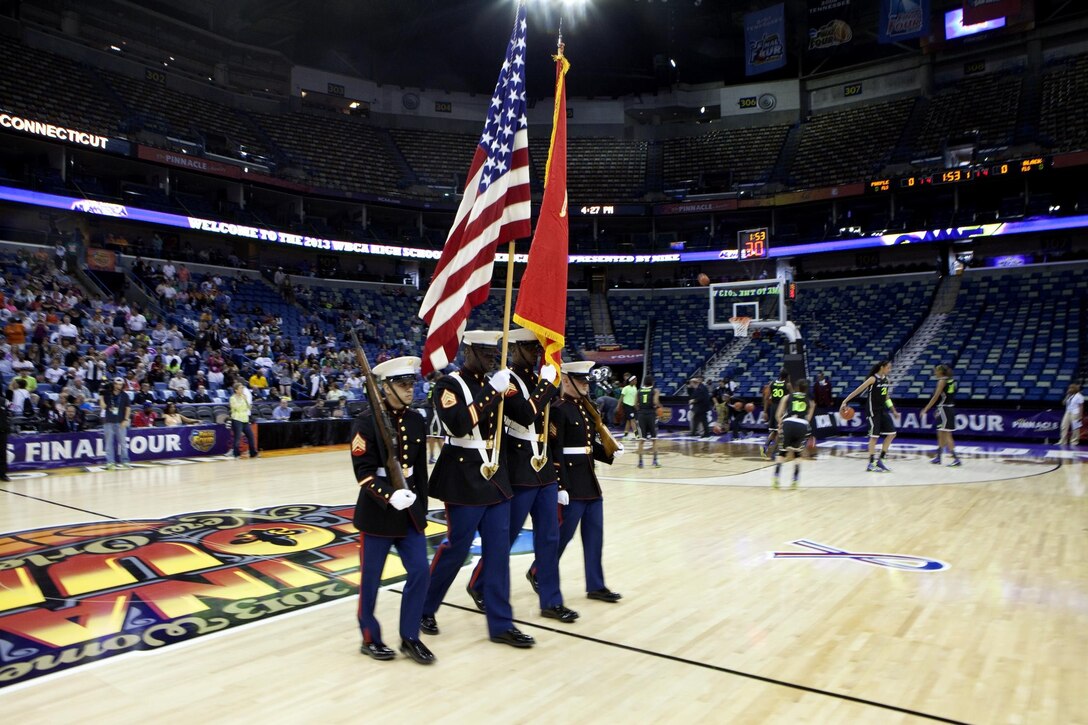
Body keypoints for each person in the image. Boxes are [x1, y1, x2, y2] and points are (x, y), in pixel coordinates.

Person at [421, 331, 533, 648]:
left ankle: (501, 624)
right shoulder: (449, 385)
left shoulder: (497, 382)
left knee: (499, 553)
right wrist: (490, 392)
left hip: (495, 475)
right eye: (483, 352)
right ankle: (423, 606)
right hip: (463, 475)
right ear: (467, 351)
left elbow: (525, 415)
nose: (489, 358)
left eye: (492, 353)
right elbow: (458, 424)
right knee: (457, 549)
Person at [464, 329, 572, 623]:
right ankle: (479, 582)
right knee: (507, 536)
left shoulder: (540, 379)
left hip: (544, 467)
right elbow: (524, 414)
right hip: (519, 467)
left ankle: (551, 600)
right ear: (514, 348)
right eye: (529, 347)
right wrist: (549, 386)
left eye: (538, 347)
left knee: (550, 537)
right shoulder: (506, 380)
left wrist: (547, 384)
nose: (537, 352)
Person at [350, 356, 434, 665]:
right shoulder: (365, 421)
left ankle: (410, 636)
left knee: (420, 573)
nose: (410, 390)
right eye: (402, 385)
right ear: (385, 388)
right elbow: (364, 473)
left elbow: (420, 473)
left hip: (409, 512)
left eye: (412, 384)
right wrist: (389, 495)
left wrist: (420, 508)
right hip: (378, 513)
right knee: (371, 579)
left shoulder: (416, 420)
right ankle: (369, 637)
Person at [541, 360, 624, 604]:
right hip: (571, 484)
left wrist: (609, 452)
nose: (585, 385)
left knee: (595, 536)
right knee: (562, 536)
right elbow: (554, 450)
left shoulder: (587, 408)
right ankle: (538, 571)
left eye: (586, 381)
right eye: (580, 381)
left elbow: (586, 447)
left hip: (589, 480)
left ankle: (596, 585)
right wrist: (560, 485)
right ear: (566, 381)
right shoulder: (558, 408)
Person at [840, 360, 897, 473]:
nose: (889, 370)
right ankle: (871, 463)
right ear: (882, 367)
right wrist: (845, 401)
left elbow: (887, 397)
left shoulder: (886, 379)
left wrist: (893, 410)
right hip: (872, 411)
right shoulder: (872, 379)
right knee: (874, 436)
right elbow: (858, 390)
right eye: (888, 368)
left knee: (892, 434)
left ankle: (881, 460)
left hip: (882, 410)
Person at [772, 378, 815, 489]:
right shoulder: (811, 402)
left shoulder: (787, 397)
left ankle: (776, 477)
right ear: (806, 390)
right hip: (802, 424)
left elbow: (778, 415)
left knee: (782, 453)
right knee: (797, 453)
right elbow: (808, 420)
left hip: (788, 422)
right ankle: (795, 480)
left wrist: (781, 424)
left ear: (796, 387)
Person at [920, 364, 961, 466]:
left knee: (947, 435)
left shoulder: (942, 381)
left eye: (936, 371)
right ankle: (938, 457)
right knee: (940, 434)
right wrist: (939, 409)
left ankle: (956, 459)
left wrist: (926, 409)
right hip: (947, 408)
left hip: (945, 409)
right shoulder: (951, 380)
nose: (935, 373)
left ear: (940, 372)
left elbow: (935, 397)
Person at [99, 376, 132, 470]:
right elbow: (103, 406)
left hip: (120, 422)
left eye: (120, 384)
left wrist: (126, 419)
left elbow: (128, 408)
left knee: (123, 443)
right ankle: (110, 462)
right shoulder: (107, 394)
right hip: (108, 422)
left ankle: (125, 461)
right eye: (117, 384)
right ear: (113, 384)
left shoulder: (125, 395)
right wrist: (101, 396)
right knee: (109, 443)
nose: (118, 386)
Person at [761, 369, 791, 458]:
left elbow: (766, 398)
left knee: (774, 431)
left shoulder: (772, 383)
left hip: (773, 407)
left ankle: (765, 447)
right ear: (786, 377)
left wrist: (765, 411)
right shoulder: (787, 385)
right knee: (779, 431)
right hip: (781, 408)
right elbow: (791, 398)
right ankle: (774, 452)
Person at [636, 375, 662, 468]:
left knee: (641, 440)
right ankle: (655, 462)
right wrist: (660, 406)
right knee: (654, 439)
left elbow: (635, 404)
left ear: (644, 383)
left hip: (641, 415)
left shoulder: (639, 391)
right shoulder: (655, 391)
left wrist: (641, 410)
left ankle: (640, 463)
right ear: (652, 382)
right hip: (651, 415)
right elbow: (655, 401)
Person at [229, 382, 258, 459]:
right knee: (237, 437)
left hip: (245, 419)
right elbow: (237, 408)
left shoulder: (244, 396)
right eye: (240, 388)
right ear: (236, 390)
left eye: (242, 388)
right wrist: (243, 401)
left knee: (251, 436)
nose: (242, 389)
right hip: (237, 419)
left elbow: (249, 407)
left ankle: (253, 453)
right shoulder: (232, 398)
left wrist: (245, 401)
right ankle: (236, 454)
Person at [619, 374, 638, 439]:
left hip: (633, 406)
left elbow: (635, 398)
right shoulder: (625, 388)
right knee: (633, 420)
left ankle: (625, 434)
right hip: (627, 406)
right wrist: (617, 406)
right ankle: (637, 435)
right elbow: (621, 398)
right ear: (631, 381)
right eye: (635, 380)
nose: (636, 381)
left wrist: (636, 405)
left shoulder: (635, 388)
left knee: (628, 420)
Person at [0, 376, 9, 480]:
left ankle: (3, 474)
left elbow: (8, 413)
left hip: (2, 431)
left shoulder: (3, 401)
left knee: (2, 454)